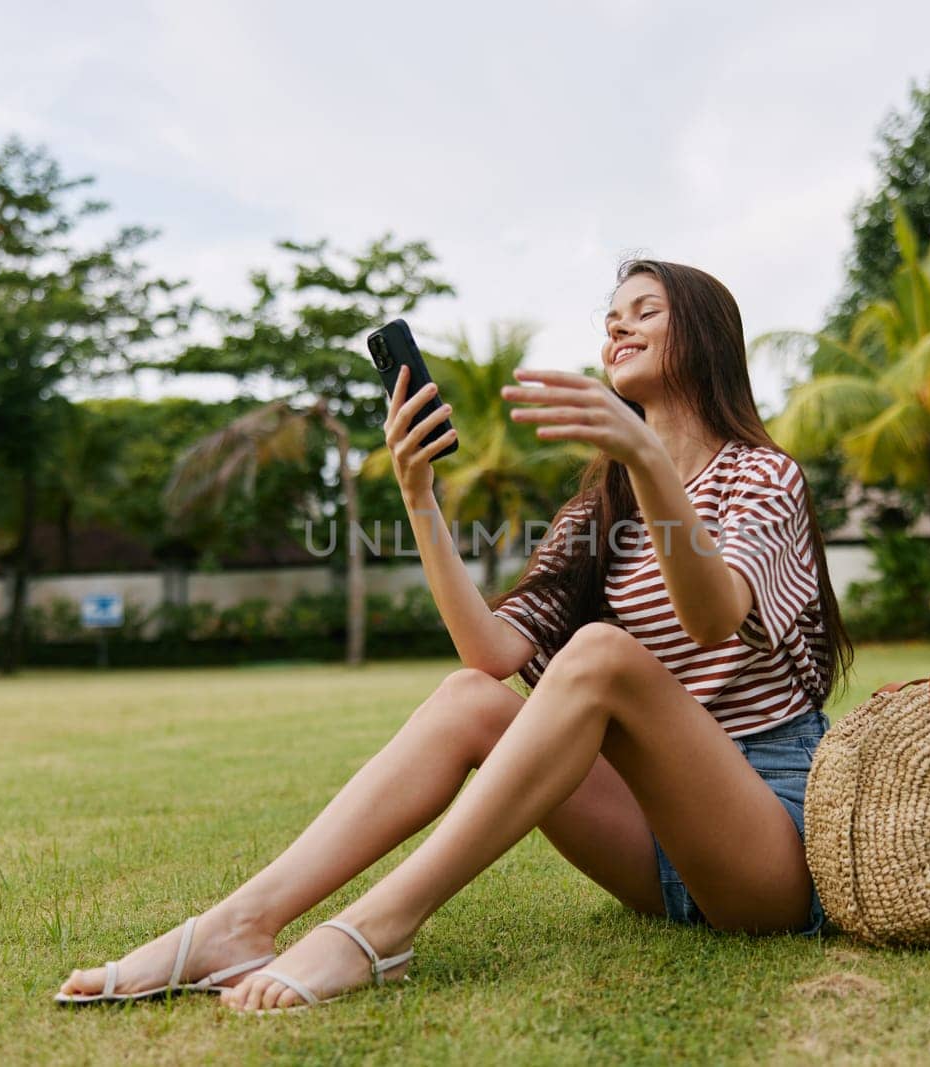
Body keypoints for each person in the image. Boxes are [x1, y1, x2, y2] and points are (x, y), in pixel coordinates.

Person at [56, 258, 855, 1014]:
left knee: (603, 654)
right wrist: (418, 495)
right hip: (656, 850)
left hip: (764, 843)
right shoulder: (597, 513)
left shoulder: (762, 474)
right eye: (610, 319)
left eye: (646, 311)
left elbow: (713, 616)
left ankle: (375, 929)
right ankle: (235, 925)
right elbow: (492, 654)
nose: (619, 329)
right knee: (469, 697)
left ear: (708, 337)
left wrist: (645, 454)